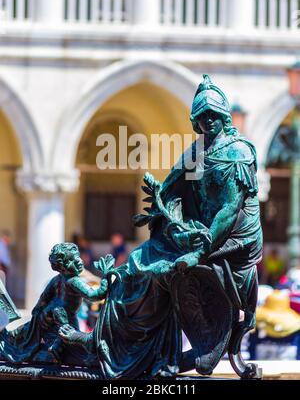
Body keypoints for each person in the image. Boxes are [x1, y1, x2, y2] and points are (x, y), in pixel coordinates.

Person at [58, 75, 263, 379]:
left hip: (228, 244)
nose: (207, 122)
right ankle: (114, 345)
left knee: (160, 271)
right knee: (135, 265)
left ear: (223, 116)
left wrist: (198, 251)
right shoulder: (198, 151)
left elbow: (229, 209)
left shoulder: (238, 153)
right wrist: (166, 210)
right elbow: (173, 187)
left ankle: (139, 349)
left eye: (212, 115)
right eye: (201, 117)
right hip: (197, 236)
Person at [0, 243, 113, 363]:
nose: (79, 261)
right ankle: (56, 348)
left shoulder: (56, 280)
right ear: (63, 266)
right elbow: (95, 295)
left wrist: (38, 313)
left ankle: (13, 337)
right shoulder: (74, 281)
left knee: (30, 330)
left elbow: (43, 298)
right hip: (60, 315)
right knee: (67, 337)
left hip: (52, 313)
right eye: (73, 260)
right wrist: (106, 275)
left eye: (78, 257)